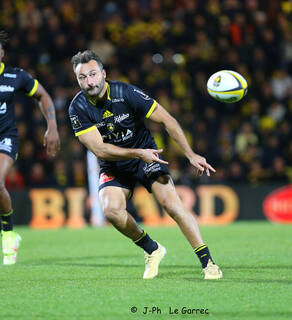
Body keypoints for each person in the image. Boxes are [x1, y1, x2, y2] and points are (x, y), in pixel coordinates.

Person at [68, 50, 222, 280]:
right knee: (110, 210)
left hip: (148, 156)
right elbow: (99, 150)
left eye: (93, 74)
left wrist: (190, 154)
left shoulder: (126, 92)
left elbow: (167, 120)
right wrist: (136, 154)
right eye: (83, 78)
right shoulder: (77, 108)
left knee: (172, 205)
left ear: (103, 73)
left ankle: (208, 263)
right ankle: (152, 249)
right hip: (115, 164)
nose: (89, 82)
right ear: (77, 80)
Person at [0, 31, 60, 265]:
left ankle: (8, 233)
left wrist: (52, 126)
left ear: (2, 53)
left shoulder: (16, 76)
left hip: (5, 138)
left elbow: (43, 96)